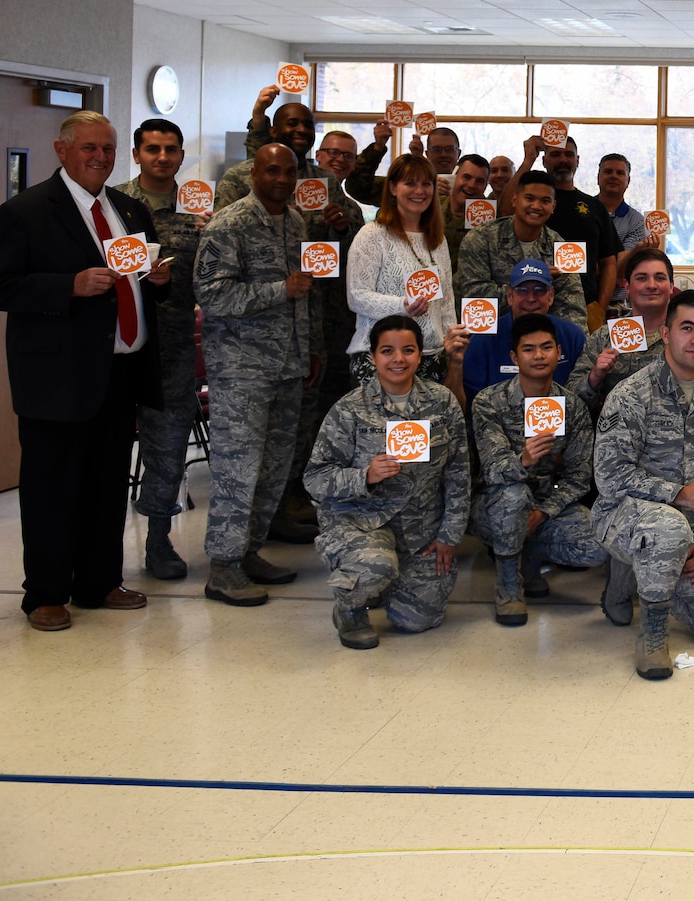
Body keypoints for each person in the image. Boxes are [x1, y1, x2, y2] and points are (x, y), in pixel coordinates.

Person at [0, 110, 170, 631]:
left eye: (108, 148)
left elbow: (143, 285)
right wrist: (68, 285)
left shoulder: (129, 210)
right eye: (89, 148)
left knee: (107, 484)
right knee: (51, 487)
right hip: (56, 379)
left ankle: (99, 581)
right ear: (62, 151)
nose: (100, 157)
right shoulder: (24, 212)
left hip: (120, 371)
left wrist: (157, 280)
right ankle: (44, 593)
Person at [228, 90, 364, 545]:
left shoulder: (325, 181)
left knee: (302, 423)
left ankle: (287, 501)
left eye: (307, 125)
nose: (300, 132)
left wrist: (341, 225)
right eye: (291, 124)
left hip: (316, 322)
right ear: (271, 131)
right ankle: (243, 534)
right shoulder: (238, 184)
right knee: (253, 440)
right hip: (250, 338)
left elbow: (355, 244)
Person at [193, 143, 324, 607]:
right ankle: (222, 568)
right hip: (241, 371)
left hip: (288, 365)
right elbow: (211, 295)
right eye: (272, 171)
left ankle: (248, 552)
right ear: (253, 174)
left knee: (273, 468)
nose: (282, 179)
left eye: (289, 171)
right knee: (238, 470)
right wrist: (277, 290)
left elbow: (306, 294)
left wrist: (308, 351)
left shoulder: (295, 222)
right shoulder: (227, 224)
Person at [592, 290, 694, 675]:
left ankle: (637, 575)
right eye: (686, 328)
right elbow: (609, 476)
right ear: (665, 333)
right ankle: (653, 635)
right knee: (667, 527)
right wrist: (676, 493)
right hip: (625, 516)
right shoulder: (630, 395)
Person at [305, 315, 471, 650]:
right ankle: (350, 609)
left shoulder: (442, 402)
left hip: (420, 529)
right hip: (360, 521)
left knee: (416, 620)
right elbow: (315, 478)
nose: (398, 359)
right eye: (387, 351)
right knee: (375, 565)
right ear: (373, 357)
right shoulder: (349, 409)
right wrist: (363, 476)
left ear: (420, 355)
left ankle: (388, 583)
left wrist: (449, 536)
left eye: (408, 350)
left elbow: (459, 473)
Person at [469, 314, 605, 626]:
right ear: (515, 357)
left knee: (598, 543)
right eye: (529, 349)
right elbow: (491, 471)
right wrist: (524, 460)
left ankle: (529, 555)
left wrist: (543, 512)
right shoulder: (489, 402)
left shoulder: (571, 406)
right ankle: (508, 584)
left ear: (559, 352)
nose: (539, 356)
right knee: (513, 497)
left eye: (546, 348)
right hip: (494, 507)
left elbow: (579, 477)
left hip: (545, 507)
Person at [115, 118, 203, 582]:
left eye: (171, 149)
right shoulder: (113, 207)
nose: (162, 157)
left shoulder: (197, 211)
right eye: (152, 148)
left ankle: (158, 539)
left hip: (171, 350)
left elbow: (210, 284)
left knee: (168, 448)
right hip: (118, 349)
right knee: (107, 448)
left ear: (181, 155)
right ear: (137, 154)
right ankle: (99, 544)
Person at [346, 153, 460, 387]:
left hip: (432, 358)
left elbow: (446, 300)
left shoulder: (438, 239)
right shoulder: (373, 235)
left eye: (426, 184)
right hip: (381, 359)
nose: (419, 191)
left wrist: (451, 341)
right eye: (410, 183)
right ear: (393, 188)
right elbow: (357, 297)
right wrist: (402, 306)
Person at [569, 247, 694, 417]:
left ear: (671, 286)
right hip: (617, 435)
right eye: (642, 278)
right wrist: (594, 377)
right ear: (627, 286)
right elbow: (572, 404)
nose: (651, 285)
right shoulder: (603, 337)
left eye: (659, 278)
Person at [456, 169, 588, 328]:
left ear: (553, 206)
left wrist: (572, 344)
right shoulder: (480, 239)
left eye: (545, 201)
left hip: (541, 338)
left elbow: (572, 305)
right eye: (529, 198)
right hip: (491, 336)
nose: (536, 206)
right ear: (514, 200)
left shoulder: (560, 248)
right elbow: (475, 300)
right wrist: (529, 280)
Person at [517, 134, 620, 325]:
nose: (563, 160)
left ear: (577, 160)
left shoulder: (595, 207)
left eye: (569, 155)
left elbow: (609, 263)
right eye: (555, 154)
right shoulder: (531, 207)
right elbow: (505, 211)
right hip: (532, 303)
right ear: (544, 160)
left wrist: (600, 306)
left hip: (585, 306)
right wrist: (527, 160)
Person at [460, 259, 586, 403]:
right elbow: (465, 404)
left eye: (539, 290)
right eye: (522, 290)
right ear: (509, 296)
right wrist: (455, 363)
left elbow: (582, 396)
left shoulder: (572, 336)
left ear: (551, 296)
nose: (531, 298)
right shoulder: (482, 340)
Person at [346, 121, 461, 208]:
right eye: (436, 149)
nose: (443, 154)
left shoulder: (470, 186)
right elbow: (358, 188)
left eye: (449, 149)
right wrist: (377, 148)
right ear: (427, 153)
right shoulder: (405, 188)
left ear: (458, 153)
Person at [595, 153, 657, 275]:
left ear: (628, 181)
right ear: (598, 178)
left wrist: (637, 251)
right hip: (581, 291)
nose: (614, 176)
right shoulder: (583, 212)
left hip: (620, 294)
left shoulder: (637, 222)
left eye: (620, 173)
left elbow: (621, 269)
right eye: (608, 172)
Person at [444, 153, 492, 267]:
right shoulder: (432, 206)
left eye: (479, 181)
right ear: (454, 177)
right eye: (466, 177)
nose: (471, 185)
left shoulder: (489, 218)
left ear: (485, 186)